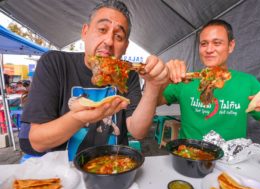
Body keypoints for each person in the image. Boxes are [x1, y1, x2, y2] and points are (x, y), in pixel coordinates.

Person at [21, 0, 168, 160]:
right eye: (102, 30)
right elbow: (36, 141)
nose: (109, 41)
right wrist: (79, 118)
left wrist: (153, 86)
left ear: (125, 46)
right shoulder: (55, 63)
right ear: (85, 32)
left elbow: (138, 131)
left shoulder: (127, 73)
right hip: (64, 174)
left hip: (113, 167)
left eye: (118, 36)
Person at [158, 19, 260, 141]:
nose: (209, 49)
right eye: (204, 44)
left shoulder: (248, 83)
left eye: (217, 43)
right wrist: (161, 81)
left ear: (231, 45)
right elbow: (151, 103)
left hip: (229, 163)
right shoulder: (184, 79)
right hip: (188, 157)